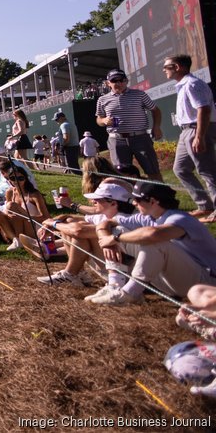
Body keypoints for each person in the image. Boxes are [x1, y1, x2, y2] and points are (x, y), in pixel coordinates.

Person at [91, 181, 216, 304]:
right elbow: (107, 223)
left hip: (205, 284)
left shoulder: (181, 219)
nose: (134, 203)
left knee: (156, 243)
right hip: (175, 280)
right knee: (119, 230)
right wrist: (108, 240)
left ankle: (130, 293)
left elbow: (153, 234)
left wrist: (115, 238)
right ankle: (115, 286)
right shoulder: (147, 216)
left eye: (138, 200)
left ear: (152, 201)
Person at [164, 54, 216, 223]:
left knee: (207, 171)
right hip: (186, 131)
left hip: (197, 129)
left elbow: (204, 110)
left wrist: (199, 136)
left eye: (167, 67)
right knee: (180, 169)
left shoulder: (192, 84)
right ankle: (205, 206)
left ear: (177, 67)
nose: (164, 70)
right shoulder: (183, 85)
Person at [94, 68, 163, 181]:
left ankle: (162, 198)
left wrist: (156, 127)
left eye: (121, 80)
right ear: (108, 83)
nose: (118, 83)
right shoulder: (102, 99)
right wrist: (104, 120)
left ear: (126, 81)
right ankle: (130, 198)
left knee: (153, 171)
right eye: (114, 81)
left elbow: (155, 110)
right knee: (122, 175)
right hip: (117, 140)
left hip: (140, 138)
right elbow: (99, 119)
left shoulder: (139, 94)